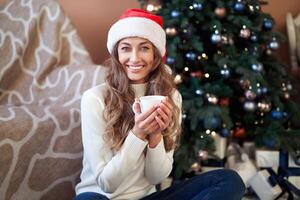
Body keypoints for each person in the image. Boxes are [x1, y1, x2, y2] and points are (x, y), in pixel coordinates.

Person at [74, 8, 245, 200]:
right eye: (126, 48)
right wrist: (138, 134)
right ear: (116, 54)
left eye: (144, 48)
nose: (135, 58)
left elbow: (156, 177)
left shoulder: (170, 97)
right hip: (101, 197)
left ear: (155, 54)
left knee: (228, 180)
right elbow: (107, 183)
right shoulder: (95, 98)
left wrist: (155, 137)